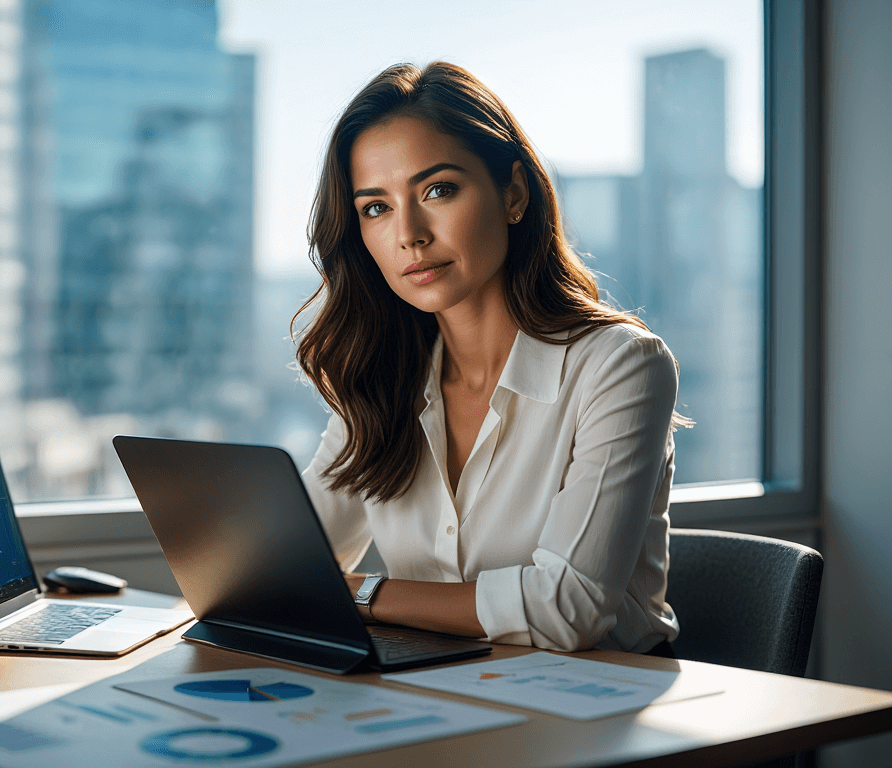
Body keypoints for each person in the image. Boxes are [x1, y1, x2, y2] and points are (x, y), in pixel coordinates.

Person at [294, 62, 687, 654]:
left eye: (438, 190)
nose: (409, 234)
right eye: (376, 208)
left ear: (514, 193)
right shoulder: (382, 379)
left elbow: (568, 608)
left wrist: (361, 594)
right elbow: (285, 568)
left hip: (597, 697)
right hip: (432, 691)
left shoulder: (621, 366)